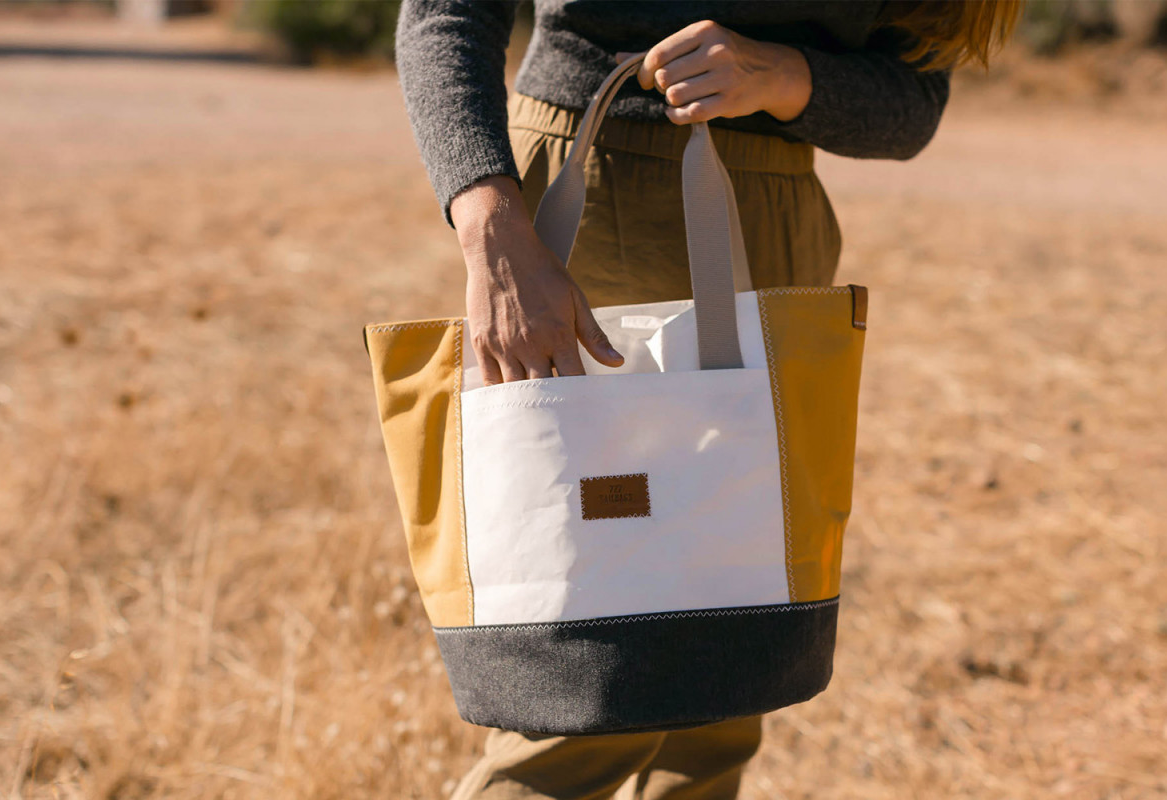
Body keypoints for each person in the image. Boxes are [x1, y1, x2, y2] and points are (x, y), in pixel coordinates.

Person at [394, 2, 1020, 797]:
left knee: (732, 651)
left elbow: (911, 106)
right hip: (588, 181)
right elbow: (447, 11)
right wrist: (487, 220)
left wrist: (783, 73)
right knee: (591, 679)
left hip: (772, 202)